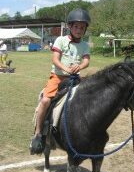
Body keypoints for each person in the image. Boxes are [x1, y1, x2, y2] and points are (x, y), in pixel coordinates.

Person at [30, 8, 91, 155]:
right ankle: (38, 134)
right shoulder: (61, 40)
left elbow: (86, 61)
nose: (79, 30)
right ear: (70, 27)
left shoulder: (85, 45)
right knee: (45, 101)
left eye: (82, 27)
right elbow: (55, 59)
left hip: (75, 79)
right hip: (57, 77)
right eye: (76, 26)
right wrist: (65, 68)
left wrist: (80, 66)